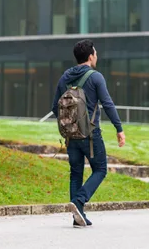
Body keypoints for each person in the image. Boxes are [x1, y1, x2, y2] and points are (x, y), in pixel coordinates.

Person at [51, 39, 126, 228]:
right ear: (91, 56)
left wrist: (69, 124)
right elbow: (107, 104)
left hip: (70, 136)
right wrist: (119, 128)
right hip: (91, 135)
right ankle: (79, 202)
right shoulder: (96, 77)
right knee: (100, 169)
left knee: (75, 173)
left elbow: (55, 108)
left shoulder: (65, 77)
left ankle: (78, 217)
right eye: (96, 53)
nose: (97, 56)